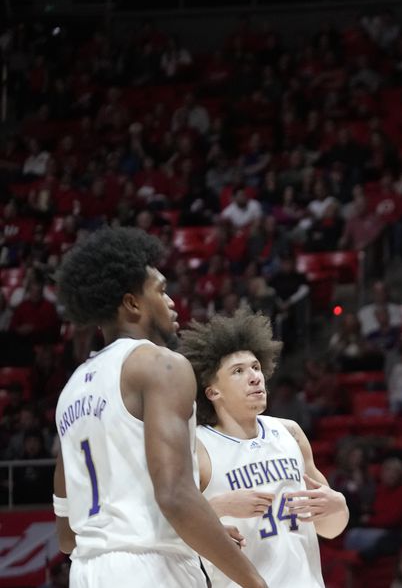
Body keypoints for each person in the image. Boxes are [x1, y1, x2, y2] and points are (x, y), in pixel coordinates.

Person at [51, 227, 265, 587]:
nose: (172, 302)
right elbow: (175, 495)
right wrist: (256, 583)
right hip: (151, 570)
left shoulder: (72, 388)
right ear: (132, 303)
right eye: (162, 291)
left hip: (88, 571)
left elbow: (66, 535)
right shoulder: (160, 364)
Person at [180, 308, 349, 586]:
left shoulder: (290, 432)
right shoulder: (198, 447)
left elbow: (331, 529)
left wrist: (338, 505)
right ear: (212, 392)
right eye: (238, 371)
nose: (254, 377)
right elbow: (170, 530)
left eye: (256, 367)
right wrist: (216, 507)